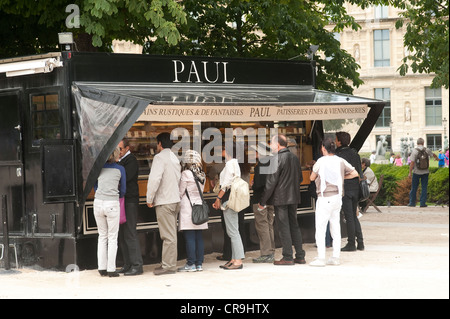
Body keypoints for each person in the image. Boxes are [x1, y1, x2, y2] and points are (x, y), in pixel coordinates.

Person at [309, 138, 359, 266]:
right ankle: (335, 257)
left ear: (323, 148)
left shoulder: (320, 161)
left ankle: (321, 258)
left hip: (324, 197)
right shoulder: (340, 160)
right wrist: (341, 178)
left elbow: (311, 177)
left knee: (320, 228)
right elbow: (355, 173)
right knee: (335, 227)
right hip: (337, 197)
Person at [259, 134, 305, 265]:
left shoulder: (275, 159)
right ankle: (300, 255)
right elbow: (300, 178)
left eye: (272, 143)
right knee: (294, 225)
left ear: (278, 144)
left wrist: (263, 201)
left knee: (283, 227)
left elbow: (270, 183)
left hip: (281, 198)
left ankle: (288, 256)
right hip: (294, 197)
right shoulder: (295, 158)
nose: (270, 146)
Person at [146, 132, 181, 275]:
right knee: (171, 234)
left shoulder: (159, 158)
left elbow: (154, 179)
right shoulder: (174, 157)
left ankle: (169, 266)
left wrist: (149, 198)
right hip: (175, 199)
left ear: (160, 143)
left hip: (164, 200)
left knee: (168, 236)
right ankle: (168, 263)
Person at [94, 147, 126, 277]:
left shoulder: (99, 167)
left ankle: (101, 267)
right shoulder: (120, 169)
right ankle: (111, 269)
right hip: (112, 203)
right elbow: (123, 190)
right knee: (113, 237)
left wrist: (100, 190)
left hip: (98, 203)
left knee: (102, 236)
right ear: (117, 155)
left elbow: (94, 184)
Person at [212, 142, 245, 270]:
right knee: (233, 230)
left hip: (228, 199)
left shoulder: (230, 164)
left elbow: (225, 186)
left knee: (232, 231)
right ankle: (234, 258)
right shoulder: (235, 164)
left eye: (224, 149)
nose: (222, 151)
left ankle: (237, 261)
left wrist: (218, 199)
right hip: (233, 198)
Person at [178, 150, 207, 272]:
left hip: (188, 207)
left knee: (189, 236)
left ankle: (191, 263)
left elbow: (180, 191)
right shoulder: (202, 174)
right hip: (199, 206)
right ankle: (199, 263)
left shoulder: (185, 173)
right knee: (198, 237)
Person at [117, 138, 143, 276]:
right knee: (122, 234)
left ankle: (137, 265)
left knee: (130, 233)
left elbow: (124, 178)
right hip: (122, 201)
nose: (118, 152)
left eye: (120, 149)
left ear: (127, 148)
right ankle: (127, 264)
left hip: (130, 201)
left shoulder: (131, 160)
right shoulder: (120, 161)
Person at [335, 131, 364, 252]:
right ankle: (360, 242)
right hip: (355, 188)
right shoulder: (354, 153)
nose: (335, 142)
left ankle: (351, 243)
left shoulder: (338, 155)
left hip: (345, 188)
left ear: (340, 141)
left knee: (349, 216)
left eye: (336, 140)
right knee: (354, 215)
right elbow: (359, 173)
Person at [250, 144, 275, 263]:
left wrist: (253, 184)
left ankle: (266, 253)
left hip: (260, 199)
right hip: (271, 199)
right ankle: (271, 251)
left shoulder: (260, 165)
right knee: (269, 225)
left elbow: (258, 185)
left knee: (262, 226)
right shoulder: (272, 163)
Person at [408, 138, 438, 208]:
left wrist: (410, 172)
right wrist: (437, 158)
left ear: (417, 143)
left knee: (414, 188)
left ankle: (412, 203)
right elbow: (433, 154)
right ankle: (422, 203)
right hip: (425, 171)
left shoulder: (414, 151)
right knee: (424, 187)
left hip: (416, 172)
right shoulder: (427, 150)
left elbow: (412, 163)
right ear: (423, 143)